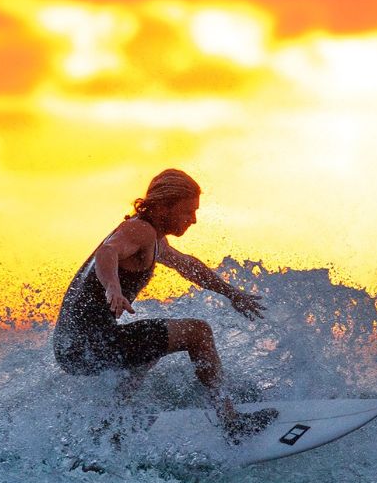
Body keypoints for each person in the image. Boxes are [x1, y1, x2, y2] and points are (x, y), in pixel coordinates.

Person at [53, 168, 277, 440]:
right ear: (163, 206)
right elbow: (107, 251)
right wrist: (112, 286)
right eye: (187, 211)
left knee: (155, 345)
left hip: (73, 348)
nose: (193, 220)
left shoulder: (154, 238)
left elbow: (188, 266)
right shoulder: (139, 230)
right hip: (87, 345)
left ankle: (107, 427)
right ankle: (231, 421)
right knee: (198, 333)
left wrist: (231, 293)